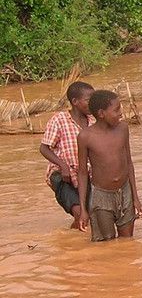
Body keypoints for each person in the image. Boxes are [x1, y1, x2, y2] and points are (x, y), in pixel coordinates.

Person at [76, 90, 142, 241]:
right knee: (105, 244)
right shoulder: (85, 137)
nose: (121, 113)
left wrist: (135, 198)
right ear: (101, 113)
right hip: (101, 196)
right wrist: (83, 209)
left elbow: (128, 163)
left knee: (127, 242)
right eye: (116, 110)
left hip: (125, 192)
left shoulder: (123, 129)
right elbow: (82, 173)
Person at [39, 81, 95, 228]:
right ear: (75, 102)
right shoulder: (59, 120)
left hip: (86, 175)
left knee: (88, 214)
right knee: (79, 212)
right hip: (62, 175)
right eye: (88, 100)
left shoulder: (94, 120)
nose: (92, 103)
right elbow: (44, 148)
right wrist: (63, 165)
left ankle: (71, 242)